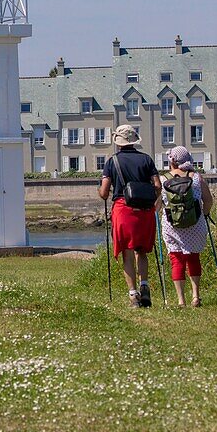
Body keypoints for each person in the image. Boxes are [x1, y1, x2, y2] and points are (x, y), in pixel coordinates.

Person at [98, 124, 161, 308]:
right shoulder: (146, 159)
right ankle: (145, 286)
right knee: (141, 251)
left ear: (118, 142)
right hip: (145, 210)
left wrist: (100, 190)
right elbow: (157, 185)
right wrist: (153, 202)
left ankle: (133, 295)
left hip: (123, 209)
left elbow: (103, 193)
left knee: (126, 252)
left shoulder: (112, 162)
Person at [160, 145, 213, 307]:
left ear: (172, 162)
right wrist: (204, 213)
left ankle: (181, 300)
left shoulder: (164, 179)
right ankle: (196, 296)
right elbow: (208, 200)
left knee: (176, 260)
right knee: (193, 258)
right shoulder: (196, 177)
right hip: (195, 223)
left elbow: (156, 204)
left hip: (172, 226)